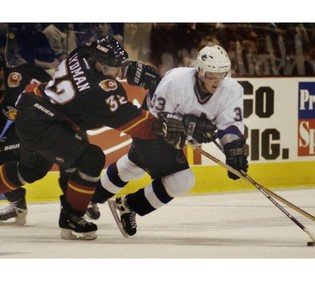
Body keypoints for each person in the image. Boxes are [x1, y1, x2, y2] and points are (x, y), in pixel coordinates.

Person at [0, 35, 187, 240]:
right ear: (102, 65)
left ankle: (71, 214)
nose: (118, 72)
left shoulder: (81, 52)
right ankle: (72, 217)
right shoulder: (101, 91)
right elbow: (134, 123)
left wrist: (127, 68)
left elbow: (99, 51)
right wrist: (164, 127)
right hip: (44, 122)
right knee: (91, 159)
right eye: (115, 67)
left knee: (31, 170)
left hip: (31, 107)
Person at [87, 45, 249, 237]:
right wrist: (188, 125)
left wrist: (233, 150)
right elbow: (155, 118)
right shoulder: (175, 81)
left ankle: (89, 198)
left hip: (173, 138)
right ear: (200, 71)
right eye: (211, 76)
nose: (216, 82)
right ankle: (129, 205)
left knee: (133, 165)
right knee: (182, 180)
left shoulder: (232, 90)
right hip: (151, 131)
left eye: (221, 76)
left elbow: (230, 124)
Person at [0, 53, 64, 224]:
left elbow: (53, 85)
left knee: (73, 157)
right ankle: (17, 203)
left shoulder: (21, 75)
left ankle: (84, 202)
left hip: (47, 131)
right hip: (20, 139)